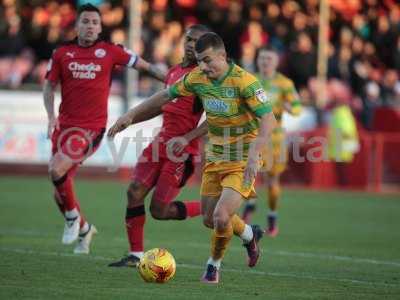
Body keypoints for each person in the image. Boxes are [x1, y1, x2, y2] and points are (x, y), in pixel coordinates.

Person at [108, 32, 277, 284]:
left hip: (242, 159)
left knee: (220, 216)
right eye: (199, 61)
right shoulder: (198, 78)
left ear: (222, 55)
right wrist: (129, 116)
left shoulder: (245, 82)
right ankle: (250, 235)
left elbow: (268, 118)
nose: (203, 66)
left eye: (208, 60)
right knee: (211, 220)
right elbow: (164, 97)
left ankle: (213, 266)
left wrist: (255, 154)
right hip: (215, 158)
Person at [43, 4, 166, 255]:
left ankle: (71, 219)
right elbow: (49, 87)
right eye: (85, 22)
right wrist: (50, 116)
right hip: (63, 128)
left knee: (56, 169)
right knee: (60, 191)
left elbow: (145, 66)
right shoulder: (62, 54)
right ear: (77, 26)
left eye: (94, 23)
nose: (90, 26)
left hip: (90, 129)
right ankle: (85, 228)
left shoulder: (110, 51)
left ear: (100, 27)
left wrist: (173, 81)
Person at [107, 24, 210, 268]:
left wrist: (187, 138)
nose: (190, 44)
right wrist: (130, 119)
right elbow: (158, 106)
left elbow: (216, 118)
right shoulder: (174, 72)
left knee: (160, 211)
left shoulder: (205, 77)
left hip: (182, 152)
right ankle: (135, 255)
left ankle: (212, 209)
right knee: (133, 192)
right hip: (159, 144)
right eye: (188, 39)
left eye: (196, 41)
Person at [242, 45, 302, 237]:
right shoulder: (250, 79)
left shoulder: (284, 83)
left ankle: (272, 215)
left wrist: (289, 107)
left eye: (269, 59)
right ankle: (250, 205)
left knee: (271, 179)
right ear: (258, 60)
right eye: (262, 58)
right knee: (249, 174)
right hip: (252, 136)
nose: (265, 62)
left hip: (274, 139)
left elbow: (297, 108)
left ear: (276, 62)